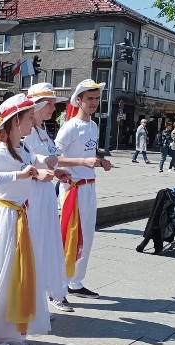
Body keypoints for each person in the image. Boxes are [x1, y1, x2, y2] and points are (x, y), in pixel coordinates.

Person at [0, 93, 50, 345]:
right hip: (4, 216)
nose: (33, 120)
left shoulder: (24, 148)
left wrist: (55, 169)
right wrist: (19, 175)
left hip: (18, 216)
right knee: (3, 275)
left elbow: (38, 162)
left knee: (17, 275)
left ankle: (8, 333)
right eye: (29, 117)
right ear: (15, 121)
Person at [55, 79, 112, 302]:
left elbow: (88, 155)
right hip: (72, 189)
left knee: (86, 238)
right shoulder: (69, 127)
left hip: (89, 188)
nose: (94, 103)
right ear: (78, 100)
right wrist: (82, 161)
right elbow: (55, 159)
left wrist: (100, 161)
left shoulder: (93, 126)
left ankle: (75, 282)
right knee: (69, 238)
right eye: (89, 99)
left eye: (97, 99)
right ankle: (57, 287)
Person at [23, 83, 75, 313]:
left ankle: (43, 297)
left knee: (46, 245)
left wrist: (57, 172)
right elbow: (22, 162)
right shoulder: (25, 131)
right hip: (30, 195)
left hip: (44, 194)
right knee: (35, 245)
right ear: (38, 105)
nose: (54, 109)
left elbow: (50, 158)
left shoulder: (42, 129)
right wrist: (43, 169)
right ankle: (33, 300)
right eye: (51, 104)